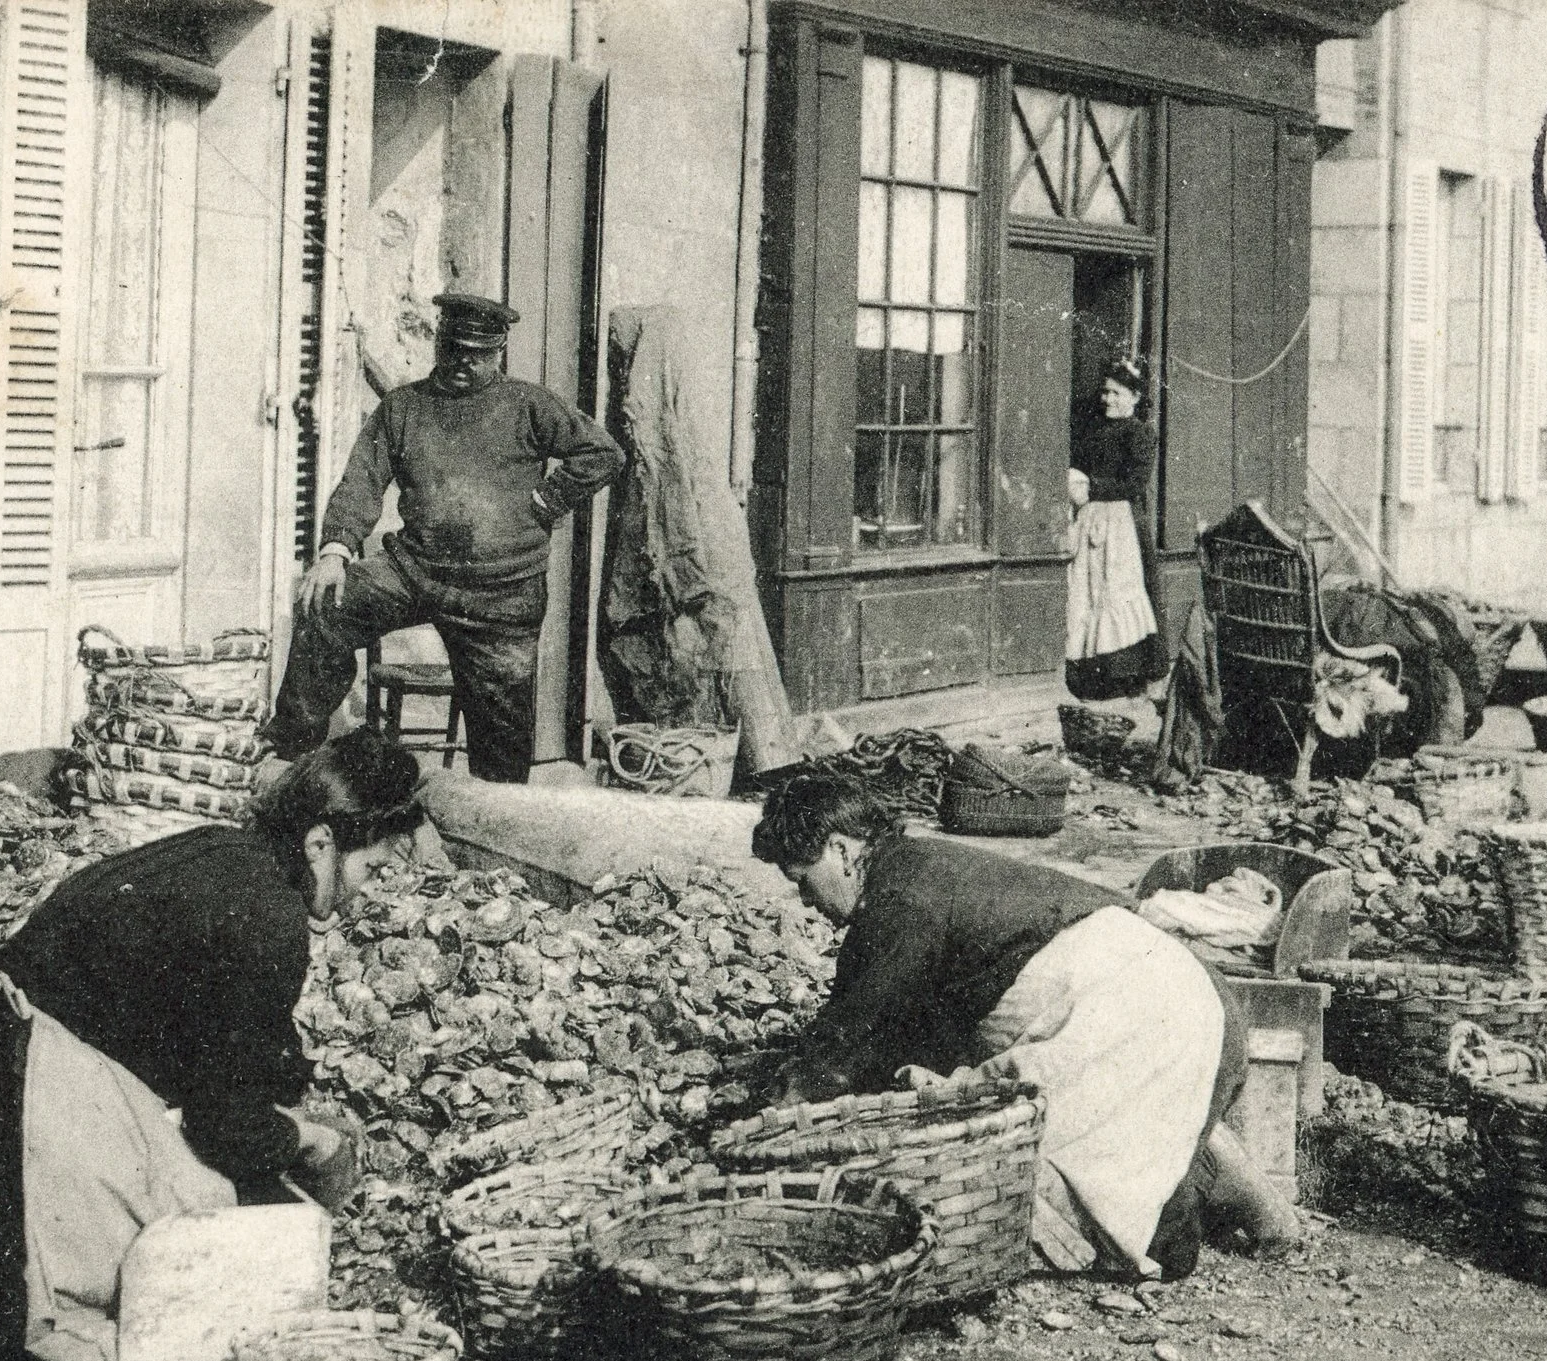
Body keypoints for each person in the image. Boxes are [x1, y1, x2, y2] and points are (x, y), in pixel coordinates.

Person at [0, 731, 426, 1361]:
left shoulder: (227, 852)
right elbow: (227, 1130)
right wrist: (312, 1141)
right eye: (370, 867)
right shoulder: (270, 916)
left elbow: (206, 1030)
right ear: (320, 843)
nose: (366, 893)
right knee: (178, 1241)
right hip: (19, 1078)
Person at [751, 778, 1298, 1283]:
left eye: (802, 880)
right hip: (1190, 997)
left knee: (1064, 1189)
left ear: (841, 850)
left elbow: (849, 1038)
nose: (805, 900)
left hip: (1129, 1011)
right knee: (1117, 1126)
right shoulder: (923, 867)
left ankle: (1184, 1213)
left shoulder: (900, 903)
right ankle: (1240, 1189)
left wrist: (770, 1116)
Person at [262, 293, 624, 782]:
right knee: (324, 603)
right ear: (439, 344)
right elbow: (361, 483)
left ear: (498, 352)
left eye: (478, 353)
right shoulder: (403, 408)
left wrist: (547, 501)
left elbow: (602, 453)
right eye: (454, 348)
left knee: (502, 751)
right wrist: (334, 551)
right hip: (413, 572)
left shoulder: (528, 404)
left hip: (502, 592)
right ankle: (288, 759)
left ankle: (494, 820)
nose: (464, 362)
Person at [1063, 358, 1163, 701]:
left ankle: (1126, 676)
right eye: (1105, 392)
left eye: (1117, 393)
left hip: (1122, 524)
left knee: (1119, 590)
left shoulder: (1140, 433)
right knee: (1090, 593)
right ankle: (1094, 677)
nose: (1108, 399)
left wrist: (1091, 489)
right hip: (1092, 520)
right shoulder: (1094, 429)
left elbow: (1134, 483)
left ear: (1134, 397)